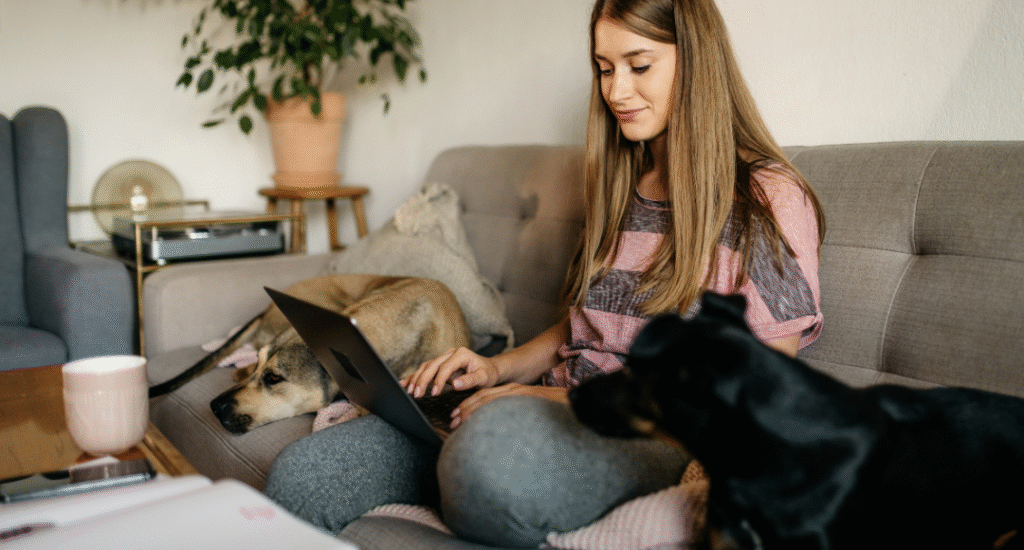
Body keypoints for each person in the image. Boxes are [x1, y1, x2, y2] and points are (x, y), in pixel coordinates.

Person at [264, 0, 826, 547]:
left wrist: (550, 403)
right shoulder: (623, 185)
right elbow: (578, 330)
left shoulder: (768, 199)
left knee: (483, 460)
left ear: (698, 61)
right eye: (604, 69)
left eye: (639, 66)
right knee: (302, 477)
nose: (616, 91)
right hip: (544, 412)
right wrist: (495, 369)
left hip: (652, 435)